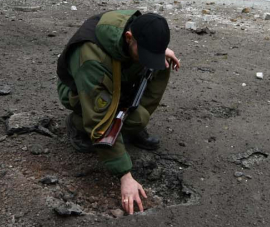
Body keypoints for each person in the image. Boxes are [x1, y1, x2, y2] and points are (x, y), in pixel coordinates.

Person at [57, 11, 180, 214]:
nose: (147, 58)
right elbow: (99, 119)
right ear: (129, 37)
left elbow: (147, 53)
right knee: (98, 118)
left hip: (116, 72)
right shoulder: (90, 56)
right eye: (144, 52)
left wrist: (157, 51)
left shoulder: (138, 29)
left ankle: (129, 125)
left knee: (160, 68)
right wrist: (125, 175)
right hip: (79, 88)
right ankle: (76, 123)